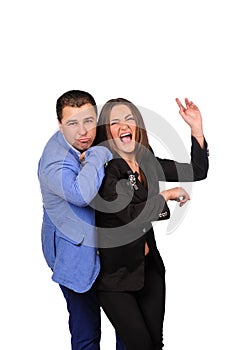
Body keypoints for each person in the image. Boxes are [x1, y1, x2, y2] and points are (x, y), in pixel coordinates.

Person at [93, 97, 209, 350]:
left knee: (155, 344)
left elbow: (196, 171)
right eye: (115, 122)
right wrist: (165, 195)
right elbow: (129, 215)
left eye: (129, 118)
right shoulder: (106, 169)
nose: (124, 125)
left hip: (150, 270)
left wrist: (196, 130)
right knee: (141, 346)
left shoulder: (148, 163)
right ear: (106, 131)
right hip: (116, 279)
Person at [37, 90, 125, 350]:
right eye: (72, 124)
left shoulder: (92, 138)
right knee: (86, 333)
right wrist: (100, 155)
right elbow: (82, 194)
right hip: (74, 257)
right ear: (60, 125)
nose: (83, 131)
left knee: (129, 327)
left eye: (88, 121)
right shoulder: (55, 162)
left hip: (106, 250)